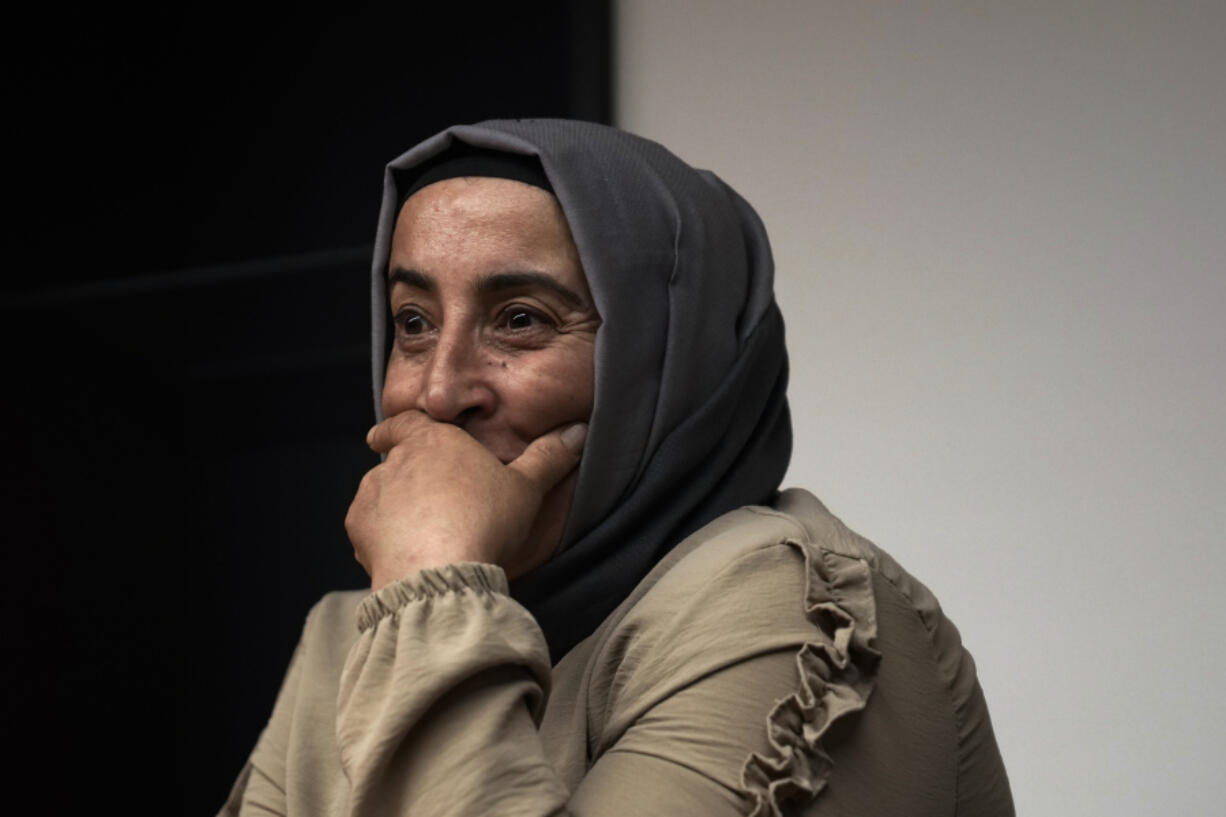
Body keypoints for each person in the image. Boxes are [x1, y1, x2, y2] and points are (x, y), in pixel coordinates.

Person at [219, 119, 1014, 816]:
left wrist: (433, 585)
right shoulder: (353, 630)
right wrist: (423, 596)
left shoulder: (781, 601)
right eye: (414, 321)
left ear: (670, 362)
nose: (437, 391)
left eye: (521, 319)